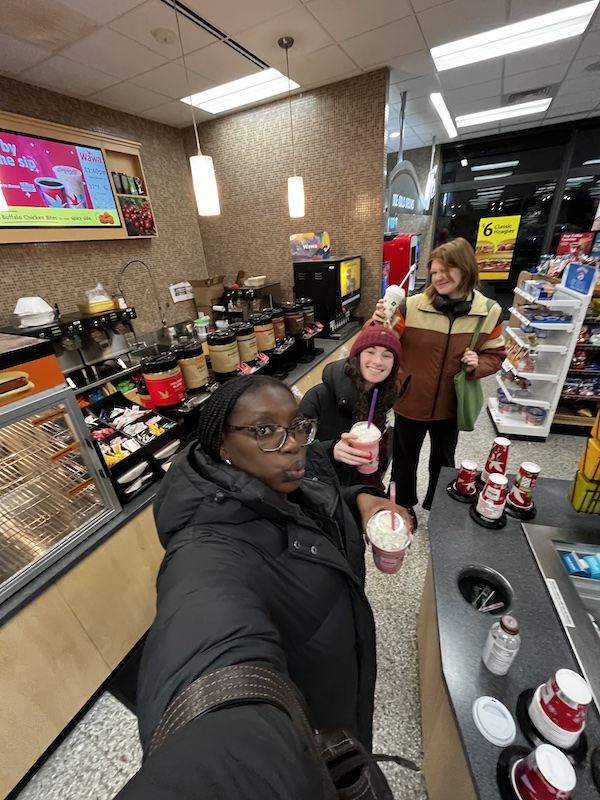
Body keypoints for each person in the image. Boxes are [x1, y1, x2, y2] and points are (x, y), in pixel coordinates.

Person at [116, 375, 409, 799]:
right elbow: (207, 643)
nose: (292, 444)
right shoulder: (205, 551)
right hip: (309, 729)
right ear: (221, 444)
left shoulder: (283, 482)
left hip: (338, 694)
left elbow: (299, 515)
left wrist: (357, 500)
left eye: (296, 426)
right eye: (264, 430)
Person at [371, 237, 506, 514]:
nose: (439, 276)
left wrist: (476, 364)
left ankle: (439, 507)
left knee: (444, 460)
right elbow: (379, 342)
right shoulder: (411, 306)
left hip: (451, 404)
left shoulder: (489, 312)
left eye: (446, 270)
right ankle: (402, 507)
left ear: (465, 269)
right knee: (404, 460)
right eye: (434, 271)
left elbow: (497, 355)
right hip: (410, 399)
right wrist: (377, 321)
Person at [299, 325, 402, 492]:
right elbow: (291, 451)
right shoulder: (317, 398)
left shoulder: (382, 398)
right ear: (357, 356)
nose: (377, 361)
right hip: (321, 493)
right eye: (370, 351)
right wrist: (332, 451)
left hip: (358, 489)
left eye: (387, 355)